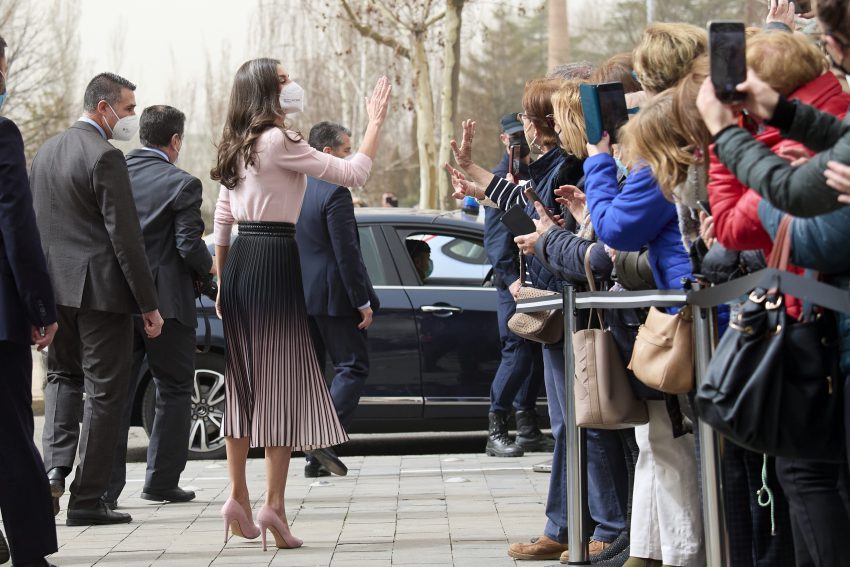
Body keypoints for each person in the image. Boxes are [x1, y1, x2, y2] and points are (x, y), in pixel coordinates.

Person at [211, 58, 390, 550]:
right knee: (281, 385)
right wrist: (374, 122)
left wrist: (223, 279)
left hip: (243, 261)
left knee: (243, 382)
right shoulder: (280, 141)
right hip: (274, 257)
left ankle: (237, 498)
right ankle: (274, 506)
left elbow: (223, 215)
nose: (293, 86)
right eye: (284, 80)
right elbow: (352, 173)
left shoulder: (236, 142)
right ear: (268, 90)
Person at [31, 72, 163, 527]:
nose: (131, 118)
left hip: (54, 291)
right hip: (101, 294)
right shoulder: (105, 157)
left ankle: (53, 471)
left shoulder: (45, 152)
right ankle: (87, 499)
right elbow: (126, 239)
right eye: (128, 109)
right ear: (103, 107)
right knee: (106, 393)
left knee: (62, 380)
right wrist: (148, 303)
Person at [104, 105, 213, 508]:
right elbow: (188, 246)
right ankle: (161, 482)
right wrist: (209, 274)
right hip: (167, 304)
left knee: (111, 394)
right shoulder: (182, 184)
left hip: (115, 301)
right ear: (175, 141)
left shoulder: (114, 173)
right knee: (174, 388)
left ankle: (104, 489)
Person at [0, 34, 60, 567]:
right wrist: (40, 308)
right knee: (12, 433)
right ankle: (29, 549)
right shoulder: (1, 133)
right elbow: (17, 227)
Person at [295, 120, 380, 478]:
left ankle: (315, 459)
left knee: (315, 375)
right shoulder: (335, 191)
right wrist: (362, 299)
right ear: (328, 153)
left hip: (301, 295)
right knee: (352, 366)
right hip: (335, 295)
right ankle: (323, 437)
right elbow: (347, 253)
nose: (351, 158)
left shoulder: (294, 187)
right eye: (347, 151)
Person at [482, 112, 548, 458]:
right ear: (503, 141)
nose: (517, 145)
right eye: (512, 139)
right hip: (514, 281)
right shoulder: (497, 181)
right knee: (517, 354)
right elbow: (494, 240)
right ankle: (496, 429)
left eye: (522, 138)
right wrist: (510, 280)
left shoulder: (534, 175)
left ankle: (528, 428)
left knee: (535, 355)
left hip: (538, 275)